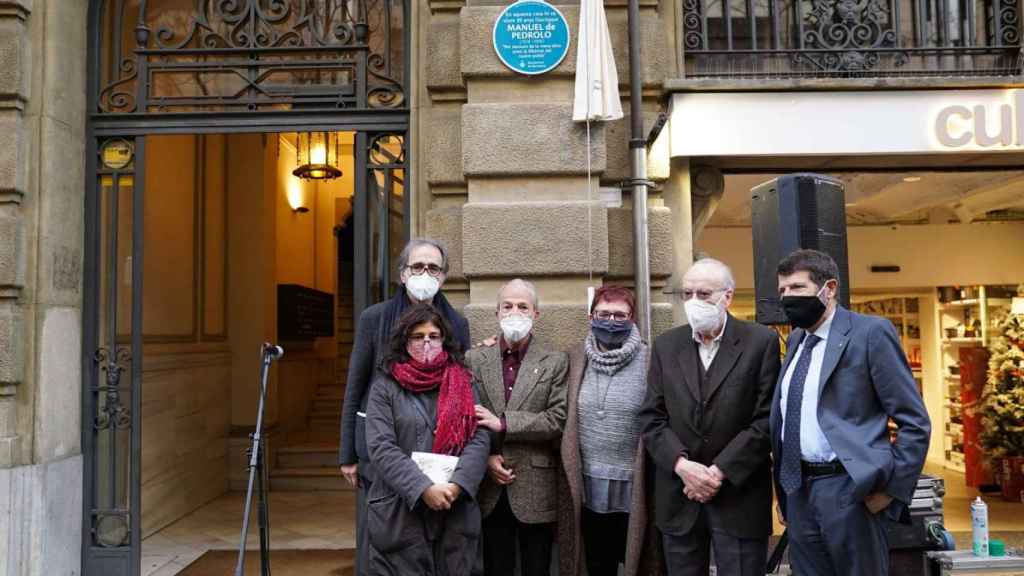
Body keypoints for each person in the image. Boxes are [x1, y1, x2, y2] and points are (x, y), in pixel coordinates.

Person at [770, 249, 930, 576]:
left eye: (797, 288)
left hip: (851, 489)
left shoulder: (870, 333)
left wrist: (890, 491)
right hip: (799, 490)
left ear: (828, 289)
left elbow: (915, 421)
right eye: (782, 290)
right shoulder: (798, 339)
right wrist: (786, 491)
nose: (787, 297)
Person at [638, 258, 781, 576]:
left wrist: (717, 473)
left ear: (727, 296)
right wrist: (683, 466)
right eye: (686, 294)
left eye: (703, 294)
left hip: (739, 497)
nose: (693, 302)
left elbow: (766, 420)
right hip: (679, 496)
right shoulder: (667, 345)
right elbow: (651, 417)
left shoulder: (760, 342)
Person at [338, 238, 470, 575]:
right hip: (381, 447)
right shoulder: (374, 318)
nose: (425, 274)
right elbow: (355, 385)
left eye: (433, 268)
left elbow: (462, 384)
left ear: (443, 276)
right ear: (402, 274)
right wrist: (347, 454)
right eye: (417, 267)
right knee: (380, 537)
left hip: (437, 453)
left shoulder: (457, 324)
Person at [364, 304, 490, 574]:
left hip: (454, 510)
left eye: (433, 336)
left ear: (444, 339)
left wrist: (457, 485)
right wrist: (422, 488)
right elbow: (381, 447)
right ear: (404, 341)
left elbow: (478, 437)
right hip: (400, 513)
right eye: (418, 336)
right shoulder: (384, 386)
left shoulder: (464, 381)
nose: (426, 343)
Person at [466, 279, 568, 576]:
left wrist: (505, 423)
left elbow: (557, 418)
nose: (515, 311)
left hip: (536, 485)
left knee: (537, 567)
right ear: (496, 312)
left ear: (536, 314)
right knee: (496, 567)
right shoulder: (474, 359)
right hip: (489, 485)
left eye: (523, 306)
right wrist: (484, 458)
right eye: (507, 306)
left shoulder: (555, 361)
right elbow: (465, 419)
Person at [559, 286, 661, 576]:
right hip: (587, 488)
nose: (611, 321)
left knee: (637, 561)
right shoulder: (574, 358)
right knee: (594, 564)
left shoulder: (651, 359)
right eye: (603, 314)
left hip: (634, 486)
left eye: (620, 315)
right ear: (591, 317)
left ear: (632, 319)